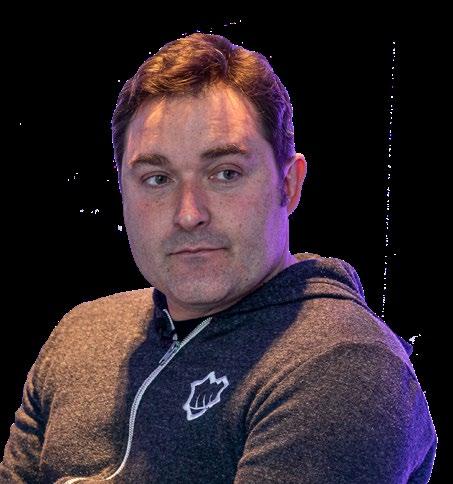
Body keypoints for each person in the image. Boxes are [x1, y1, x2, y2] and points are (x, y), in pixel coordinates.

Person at [1, 32, 437, 483]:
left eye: (225, 173)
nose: (189, 214)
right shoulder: (81, 335)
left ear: (288, 185)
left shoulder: (341, 365)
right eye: (157, 179)